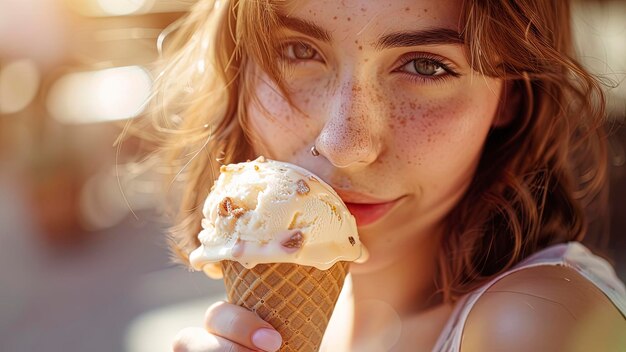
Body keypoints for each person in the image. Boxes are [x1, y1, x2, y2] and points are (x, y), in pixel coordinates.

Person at [143, 0, 626, 350]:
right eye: (296, 51)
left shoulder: (531, 328)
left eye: (425, 65)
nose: (344, 143)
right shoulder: (324, 317)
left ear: (512, 96)